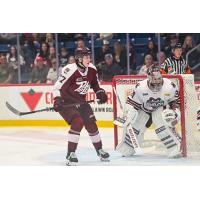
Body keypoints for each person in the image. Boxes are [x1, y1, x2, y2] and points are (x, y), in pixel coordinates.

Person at [52, 48, 109, 165]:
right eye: (86, 57)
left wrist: (100, 92)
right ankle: (70, 153)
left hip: (81, 102)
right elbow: (57, 87)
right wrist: (57, 100)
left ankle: (99, 150)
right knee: (78, 122)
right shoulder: (69, 70)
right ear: (79, 59)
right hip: (66, 102)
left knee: (91, 124)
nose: (89, 59)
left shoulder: (92, 69)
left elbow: (95, 85)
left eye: (89, 57)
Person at [116, 66, 182, 158]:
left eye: (159, 78)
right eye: (154, 79)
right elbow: (132, 103)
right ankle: (128, 147)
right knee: (135, 126)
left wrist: (175, 113)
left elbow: (176, 102)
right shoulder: (140, 87)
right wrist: (127, 114)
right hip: (144, 110)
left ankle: (176, 147)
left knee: (162, 127)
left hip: (160, 109)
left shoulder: (170, 86)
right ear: (149, 78)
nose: (157, 81)